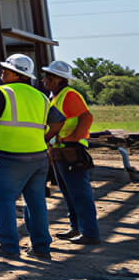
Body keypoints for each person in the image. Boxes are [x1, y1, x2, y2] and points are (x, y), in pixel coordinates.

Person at [0, 53, 54, 260]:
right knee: (36, 203)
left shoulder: (3, 93)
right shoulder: (41, 96)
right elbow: (58, 121)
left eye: (6, 71)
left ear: (17, 74)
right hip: (39, 156)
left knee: (3, 199)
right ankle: (41, 248)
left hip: (12, 157)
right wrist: (44, 138)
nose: (2, 74)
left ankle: (9, 246)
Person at [42, 59, 102, 245]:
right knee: (69, 192)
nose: (44, 80)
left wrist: (73, 138)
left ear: (57, 79)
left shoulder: (69, 95)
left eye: (48, 77)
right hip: (61, 150)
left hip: (71, 150)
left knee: (79, 193)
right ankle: (76, 227)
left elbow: (86, 117)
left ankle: (89, 232)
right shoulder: (57, 97)